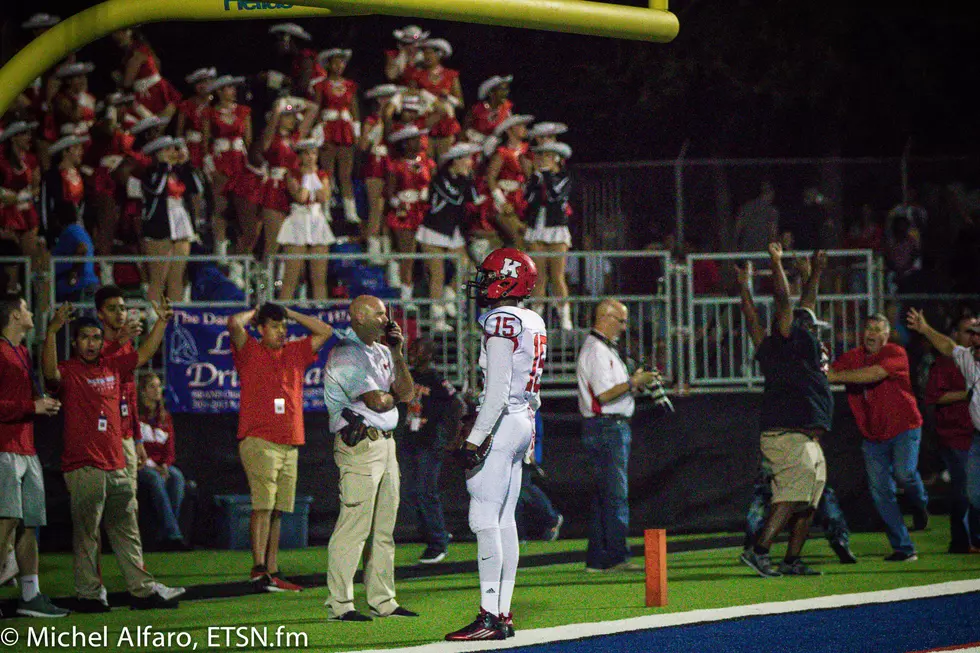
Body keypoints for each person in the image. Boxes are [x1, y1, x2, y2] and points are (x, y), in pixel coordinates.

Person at [42, 300, 184, 611]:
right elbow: (49, 374)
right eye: (85, 338)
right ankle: (91, 594)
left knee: (127, 530)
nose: (91, 344)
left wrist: (160, 322)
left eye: (96, 338)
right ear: (75, 342)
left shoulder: (111, 366)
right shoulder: (69, 371)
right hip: (84, 465)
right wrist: (52, 331)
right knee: (87, 533)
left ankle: (142, 591)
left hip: (116, 463)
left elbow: (144, 354)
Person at [444, 247, 544, 641]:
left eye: (488, 276)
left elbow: (498, 391)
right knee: (505, 521)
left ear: (507, 278)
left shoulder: (502, 319)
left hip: (502, 421)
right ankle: (502, 614)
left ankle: (489, 615)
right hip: (522, 421)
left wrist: (474, 438)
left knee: (483, 520)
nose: (482, 283)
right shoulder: (532, 318)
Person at [733, 260, 856, 565]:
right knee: (791, 496)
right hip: (788, 434)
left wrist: (814, 274)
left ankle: (792, 559)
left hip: (806, 437)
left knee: (810, 502)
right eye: (811, 327)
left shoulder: (793, 344)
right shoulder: (791, 342)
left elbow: (755, 318)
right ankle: (759, 552)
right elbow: (784, 303)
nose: (816, 331)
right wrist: (775, 264)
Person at [323, 295, 416, 621]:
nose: (386, 319)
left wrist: (397, 352)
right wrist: (396, 395)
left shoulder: (380, 351)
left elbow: (407, 393)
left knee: (383, 529)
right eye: (378, 313)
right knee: (354, 526)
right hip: (360, 445)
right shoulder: (346, 354)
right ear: (358, 317)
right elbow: (378, 402)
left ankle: (383, 599)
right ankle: (340, 603)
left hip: (386, 445)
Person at [228, 302, 333, 592]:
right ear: (261, 329)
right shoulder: (250, 350)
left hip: (290, 442)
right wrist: (258, 309)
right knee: (263, 506)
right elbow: (234, 324)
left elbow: (326, 330)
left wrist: (290, 313)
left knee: (277, 509)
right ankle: (258, 569)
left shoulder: (295, 352)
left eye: (283, 326)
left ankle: (271, 569)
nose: (281, 331)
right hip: (260, 439)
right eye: (274, 326)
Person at [828, 314, 928, 562]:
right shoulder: (853, 356)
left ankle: (921, 503)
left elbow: (872, 375)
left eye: (877, 329)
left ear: (886, 335)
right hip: (873, 437)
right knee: (881, 492)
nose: (871, 333)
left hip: (905, 427)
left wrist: (834, 376)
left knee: (904, 474)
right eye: (868, 328)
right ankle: (904, 547)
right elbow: (828, 371)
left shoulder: (895, 352)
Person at [0, 295, 69, 618]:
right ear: (15, 315)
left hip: (27, 448)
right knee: (7, 520)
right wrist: (32, 406)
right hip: (4, 448)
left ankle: (30, 595)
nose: (30, 313)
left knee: (30, 523)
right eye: (27, 308)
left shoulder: (22, 351)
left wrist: (41, 403)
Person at [575, 299, 657, 573]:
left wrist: (634, 383)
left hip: (604, 427)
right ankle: (616, 557)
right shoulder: (597, 351)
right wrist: (635, 382)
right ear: (605, 318)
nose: (624, 327)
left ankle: (598, 559)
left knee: (604, 496)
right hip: (607, 427)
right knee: (615, 495)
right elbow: (605, 394)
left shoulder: (600, 348)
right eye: (621, 320)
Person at [907, 308, 980, 542]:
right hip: (965, 436)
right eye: (971, 332)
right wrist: (926, 329)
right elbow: (948, 346)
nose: (974, 337)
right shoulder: (966, 359)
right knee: (971, 493)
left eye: (977, 332)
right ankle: (964, 540)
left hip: (970, 436)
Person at [403, 337, 463, 564]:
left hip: (429, 442)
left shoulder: (436, 380)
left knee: (426, 492)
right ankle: (436, 533)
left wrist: (452, 437)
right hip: (412, 439)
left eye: (416, 350)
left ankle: (438, 543)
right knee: (411, 493)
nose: (412, 353)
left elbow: (458, 405)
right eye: (410, 349)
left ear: (428, 354)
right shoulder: (409, 376)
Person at [416, 142, 483, 331]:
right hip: (434, 230)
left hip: (453, 231)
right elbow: (454, 197)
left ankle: (449, 294)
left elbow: (474, 199)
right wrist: (466, 181)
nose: (470, 163)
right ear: (456, 160)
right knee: (438, 275)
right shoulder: (440, 178)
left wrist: (469, 181)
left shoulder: (466, 180)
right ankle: (437, 319)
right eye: (467, 159)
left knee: (469, 269)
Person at [96, 286, 148, 487]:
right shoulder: (93, 344)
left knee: (129, 504)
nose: (120, 313)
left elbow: (130, 394)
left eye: (122, 308)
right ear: (100, 314)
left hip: (126, 435)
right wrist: (120, 340)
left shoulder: (127, 345)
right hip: (102, 437)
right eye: (112, 308)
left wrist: (138, 439)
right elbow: (97, 371)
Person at [276, 139, 336, 300]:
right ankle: (283, 314)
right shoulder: (291, 174)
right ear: (300, 156)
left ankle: (320, 313)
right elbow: (301, 197)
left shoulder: (323, 175)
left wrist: (314, 176)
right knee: (291, 278)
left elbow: (323, 197)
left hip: (317, 221)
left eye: (314, 153)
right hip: (298, 220)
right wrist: (308, 175)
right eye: (307, 153)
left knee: (319, 279)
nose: (311, 157)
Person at [137, 371, 190, 551]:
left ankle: (164, 534)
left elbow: (170, 450)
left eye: (159, 386)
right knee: (154, 478)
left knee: (177, 477)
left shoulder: (165, 417)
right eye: (153, 386)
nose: (158, 390)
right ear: (143, 391)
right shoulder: (136, 417)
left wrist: (165, 465)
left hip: (161, 465)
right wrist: (154, 466)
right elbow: (135, 448)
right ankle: (174, 535)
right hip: (142, 465)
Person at [140, 135, 196, 303]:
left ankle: (176, 319)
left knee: (176, 278)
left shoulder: (178, 172)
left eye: (174, 149)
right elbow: (156, 189)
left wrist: (186, 164)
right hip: (159, 224)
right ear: (157, 154)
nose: (173, 152)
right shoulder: (150, 173)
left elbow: (195, 189)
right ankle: (153, 319)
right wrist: (164, 166)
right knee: (158, 279)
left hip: (181, 222)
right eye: (168, 150)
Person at [525, 141, 574, 330]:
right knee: (539, 276)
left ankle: (564, 318)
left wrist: (545, 176)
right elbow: (527, 199)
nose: (541, 160)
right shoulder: (536, 179)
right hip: (537, 226)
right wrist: (535, 180)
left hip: (556, 228)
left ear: (556, 159)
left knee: (557, 276)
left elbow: (555, 196)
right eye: (540, 156)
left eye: (546, 156)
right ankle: (536, 318)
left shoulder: (564, 178)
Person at [314, 48, 360, 224]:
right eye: (335, 62)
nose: (339, 65)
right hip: (329, 129)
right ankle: (325, 208)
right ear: (328, 64)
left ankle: (350, 210)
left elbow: (354, 108)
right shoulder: (321, 85)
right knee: (327, 171)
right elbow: (317, 108)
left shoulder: (350, 85)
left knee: (345, 174)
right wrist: (319, 131)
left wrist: (356, 130)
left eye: (341, 62)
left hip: (345, 129)